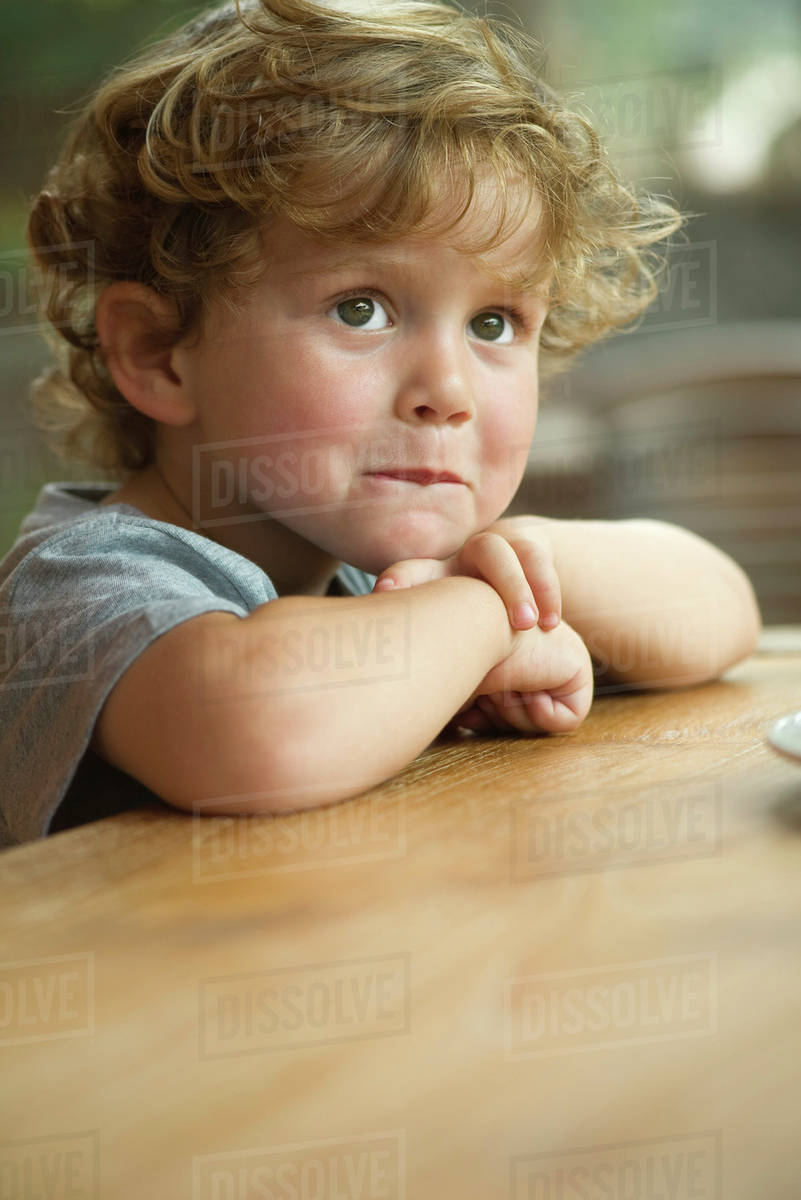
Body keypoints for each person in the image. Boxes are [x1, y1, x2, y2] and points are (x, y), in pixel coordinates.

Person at [0, 0, 760, 848]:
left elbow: (719, 606)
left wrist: (513, 569)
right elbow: (260, 732)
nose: (447, 389)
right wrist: (489, 618)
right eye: (360, 309)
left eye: (493, 324)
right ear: (160, 353)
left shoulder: (382, 570)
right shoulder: (79, 584)